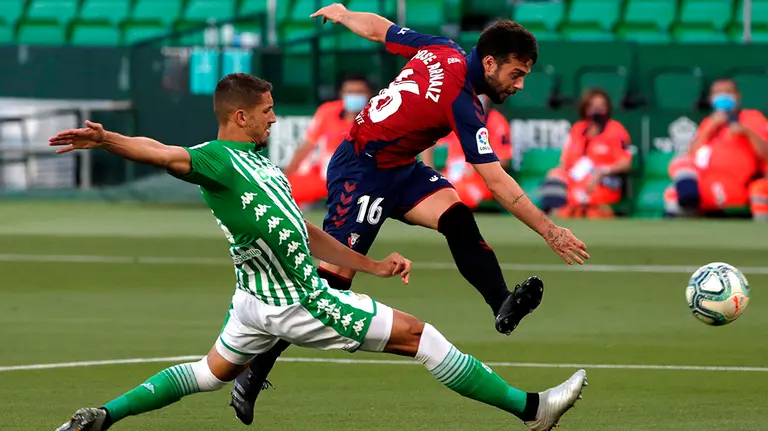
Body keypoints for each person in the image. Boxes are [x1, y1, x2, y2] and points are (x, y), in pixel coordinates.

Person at [51, 73, 587, 431]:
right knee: (422, 337)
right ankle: (533, 410)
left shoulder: (264, 167)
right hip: (296, 300)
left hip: (250, 302)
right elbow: (165, 155)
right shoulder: (216, 160)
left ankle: (103, 416)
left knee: (208, 373)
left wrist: (374, 265)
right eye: (266, 111)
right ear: (240, 117)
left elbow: (307, 235)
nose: (274, 119)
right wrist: (110, 140)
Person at [230, 3, 590, 425]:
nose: (520, 84)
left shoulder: (442, 49)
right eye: (516, 73)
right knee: (330, 284)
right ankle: (254, 371)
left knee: (457, 217)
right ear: (489, 63)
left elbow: (381, 29)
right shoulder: (462, 99)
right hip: (360, 171)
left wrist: (345, 13)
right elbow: (497, 183)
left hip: (400, 169)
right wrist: (550, 231)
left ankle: (501, 304)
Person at [664, 78, 768, 217]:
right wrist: (711, 127)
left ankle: (690, 204)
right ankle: (689, 201)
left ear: (738, 96)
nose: (723, 96)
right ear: (711, 98)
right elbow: (692, 152)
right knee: (676, 176)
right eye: (718, 93)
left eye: (728, 92)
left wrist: (747, 132)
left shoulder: (752, 117)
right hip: (706, 178)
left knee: (681, 199)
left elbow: (765, 153)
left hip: (734, 184)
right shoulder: (709, 122)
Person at [539, 88, 633, 219]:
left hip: (603, 180)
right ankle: (552, 221)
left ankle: (587, 212)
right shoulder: (578, 128)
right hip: (576, 179)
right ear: (585, 108)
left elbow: (626, 163)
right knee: (554, 176)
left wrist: (602, 171)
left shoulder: (616, 130)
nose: (597, 110)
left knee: (579, 196)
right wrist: (560, 174)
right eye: (593, 106)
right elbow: (564, 162)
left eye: (601, 106)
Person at [284, 75, 374, 209]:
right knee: (283, 191)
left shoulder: (376, 116)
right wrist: (286, 174)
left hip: (360, 179)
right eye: (350, 92)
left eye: (359, 92)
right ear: (342, 94)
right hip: (325, 177)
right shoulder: (328, 111)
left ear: (369, 94)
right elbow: (308, 145)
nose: (354, 96)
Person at [422, 94, 513, 210]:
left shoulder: (495, 121)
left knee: (453, 194)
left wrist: (479, 166)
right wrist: (430, 171)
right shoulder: (455, 119)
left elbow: (505, 160)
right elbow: (428, 139)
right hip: (451, 177)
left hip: (480, 181)